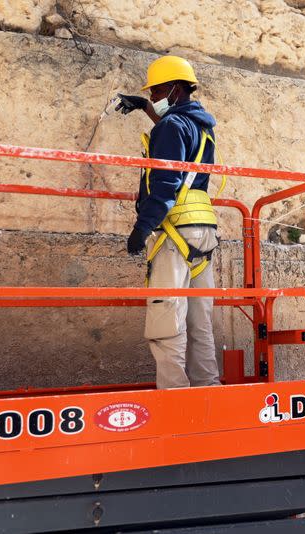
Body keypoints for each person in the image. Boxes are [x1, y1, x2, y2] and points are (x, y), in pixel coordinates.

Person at [116, 55, 221, 389]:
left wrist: (142, 228)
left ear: (175, 88)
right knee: (199, 320)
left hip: (173, 231)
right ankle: (208, 389)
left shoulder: (170, 126)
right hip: (203, 231)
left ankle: (175, 398)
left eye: (158, 90)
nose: (156, 96)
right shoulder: (202, 126)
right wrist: (147, 108)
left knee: (166, 319)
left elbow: (165, 185)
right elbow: (180, 142)